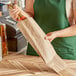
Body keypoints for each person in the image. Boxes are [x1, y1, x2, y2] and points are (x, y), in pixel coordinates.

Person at [9, 0, 76, 60]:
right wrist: (19, 14)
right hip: (37, 49)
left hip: (64, 52)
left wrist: (56, 34)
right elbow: (30, 14)